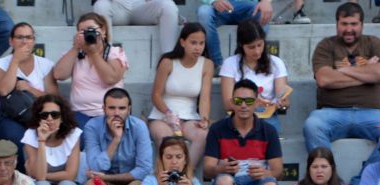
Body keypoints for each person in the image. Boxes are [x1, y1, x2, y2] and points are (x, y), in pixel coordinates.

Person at [304, 3, 380, 182]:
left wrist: (343, 70)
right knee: (312, 125)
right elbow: (324, 79)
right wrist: (367, 72)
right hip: (332, 113)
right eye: (344, 24)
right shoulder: (326, 46)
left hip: (370, 113)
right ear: (337, 24)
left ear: (362, 25)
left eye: (353, 24)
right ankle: (333, 183)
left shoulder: (374, 43)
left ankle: (361, 182)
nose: (349, 29)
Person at [203, 77, 283, 185]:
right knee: (224, 182)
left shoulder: (269, 131)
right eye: (239, 101)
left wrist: (265, 173)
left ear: (257, 103)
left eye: (249, 101)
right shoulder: (217, 129)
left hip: (257, 183)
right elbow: (207, 170)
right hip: (229, 183)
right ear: (232, 103)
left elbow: (278, 171)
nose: (244, 105)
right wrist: (222, 168)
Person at [81, 87, 152, 185]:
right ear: (104, 108)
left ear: (129, 109)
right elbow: (95, 167)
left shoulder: (139, 127)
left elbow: (144, 169)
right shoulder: (92, 127)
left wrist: (106, 177)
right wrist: (115, 139)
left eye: (122, 108)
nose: (116, 113)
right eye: (112, 108)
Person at [0, 21, 57, 165]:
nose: (25, 41)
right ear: (11, 41)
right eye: (20, 37)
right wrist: (15, 60)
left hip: (39, 117)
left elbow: (54, 100)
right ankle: (23, 178)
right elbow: (4, 90)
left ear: (34, 41)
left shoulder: (45, 64)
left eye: (29, 37)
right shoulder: (0, 64)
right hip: (9, 117)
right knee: (18, 137)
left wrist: (30, 89)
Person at [147, 22, 212, 172]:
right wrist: (169, 113)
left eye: (201, 43)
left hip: (190, 117)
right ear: (183, 42)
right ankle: (166, 176)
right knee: (168, 138)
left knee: (203, 135)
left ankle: (186, 174)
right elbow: (156, 95)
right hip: (162, 116)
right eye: (193, 42)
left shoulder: (207, 64)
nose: (198, 47)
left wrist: (204, 118)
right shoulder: (168, 62)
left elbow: (205, 98)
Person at [52, 12, 127, 128]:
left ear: (103, 30)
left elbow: (111, 78)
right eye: (82, 31)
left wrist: (93, 53)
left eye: (91, 29)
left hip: (110, 113)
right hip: (79, 113)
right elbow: (59, 75)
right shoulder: (75, 53)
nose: (88, 34)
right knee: (80, 136)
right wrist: (75, 47)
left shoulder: (115, 52)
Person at [22, 93, 81, 185]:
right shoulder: (31, 135)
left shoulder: (73, 134)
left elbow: (71, 174)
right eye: (44, 115)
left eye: (55, 115)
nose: (50, 119)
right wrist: (42, 140)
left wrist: (43, 175)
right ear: (38, 118)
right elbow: (40, 178)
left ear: (62, 117)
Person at [219, 19, 290, 129]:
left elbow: (281, 96)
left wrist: (282, 102)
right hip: (239, 113)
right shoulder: (230, 64)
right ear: (241, 45)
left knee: (267, 132)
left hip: (267, 116)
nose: (257, 51)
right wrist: (253, 102)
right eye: (251, 47)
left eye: (260, 45)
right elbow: (228, 103)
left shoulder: (276, 63)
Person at [197, 0, 272, 72]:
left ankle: (247, 62)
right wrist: (213, 1)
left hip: (248, 6)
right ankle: (217, 64)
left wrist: (265, 1)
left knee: (263, 12)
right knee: (203, 12)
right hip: (220, 8)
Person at [92, 0, 180, 56]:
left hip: (143, 5)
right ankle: (106, 55)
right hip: (117, 6)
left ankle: (169, 60)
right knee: (100, 5)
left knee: (168, 6)